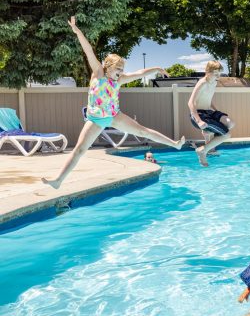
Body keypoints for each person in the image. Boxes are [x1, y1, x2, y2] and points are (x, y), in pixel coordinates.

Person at [42, 16, 185, 189]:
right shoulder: (98, 73)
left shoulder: (119, 79)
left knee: (142, 131)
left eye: (122, 69)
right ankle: (58, 181)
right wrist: (77, 31)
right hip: (95, 119)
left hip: (114, 116)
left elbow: (140, 73)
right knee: (80, 150)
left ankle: (175, 144)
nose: (121, 72)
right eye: (118, 69)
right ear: (108, 66)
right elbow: (88, 51)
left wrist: (156, 69)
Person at [188, 61, 234, 167]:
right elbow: (190, 102)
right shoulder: (202, 82)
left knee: (230, 124)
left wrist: (217, 111)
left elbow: (209, 98)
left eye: (219, 74)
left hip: (209, 112)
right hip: (200, 115)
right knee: (227, 134)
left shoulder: (214, 82)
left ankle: (208, 134)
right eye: (216, 74)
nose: (218, 76)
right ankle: (202, 151)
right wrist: (199, 121)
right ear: (207, 72)